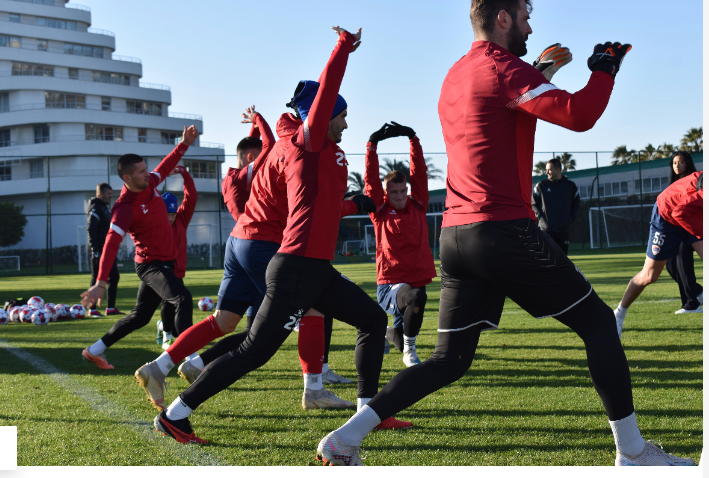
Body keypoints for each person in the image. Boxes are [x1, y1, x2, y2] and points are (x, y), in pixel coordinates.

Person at [317, 1, 693, 467]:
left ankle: (346, 438)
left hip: (456, 235)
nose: (530, 26)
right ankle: (633, 454)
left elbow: (498, 118)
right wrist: (605, 70)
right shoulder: (504, 68)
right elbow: (579, 115)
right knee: (599, 325)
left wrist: (539, 71)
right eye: (524, 17)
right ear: (502, 19)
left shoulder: (456, 73)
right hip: (500, 229)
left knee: (449, 361)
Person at [152, 27, 412, 445]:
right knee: (254, 351)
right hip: (294, 267)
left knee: (372, 318)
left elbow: (322, 202)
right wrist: (343, 48)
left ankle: (368, 414)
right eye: (340, 114)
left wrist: (350, 203)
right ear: (322, 115)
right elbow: (325, 93)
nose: (345, 121)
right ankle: (175, 415)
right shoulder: (307, 145)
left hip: (312, 268)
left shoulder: (317, 149)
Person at [132, 106, 275, 410]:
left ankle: (160, 367)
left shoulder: (238, 172)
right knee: (298, 312)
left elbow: (253, 151)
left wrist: (252, 128)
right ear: (252, 160)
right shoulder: (243, 175)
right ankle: (315, 382)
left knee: (223, 322)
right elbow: (268, 150)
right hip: (256, 245)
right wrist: (260, 121)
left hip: (239, 247)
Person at [79, 125, 199, 373]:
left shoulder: (150, 184)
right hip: (150, 264)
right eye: (142, 171)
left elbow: (165, 165)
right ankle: (191, 360)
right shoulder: (124, 208)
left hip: (166, 263)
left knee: (140, 317)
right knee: (183, 298)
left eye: (146, 169)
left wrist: (184, 143)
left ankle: (95, 350)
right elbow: (111, 243)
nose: (149, 174)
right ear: (127, 178)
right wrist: (101, 283)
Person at [365, 122, 437, 367]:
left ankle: (393, 335)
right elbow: (371, 180)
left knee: (401, 331)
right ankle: (411, 352)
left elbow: (420, 174)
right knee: (416, 298)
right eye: (393, 192)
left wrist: (413, 138)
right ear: (386, 193)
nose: (399, 195)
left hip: (416, 277)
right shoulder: (379, 211)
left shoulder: (417, 205)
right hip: (391, 284)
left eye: (402, 191)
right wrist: (371, 145)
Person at [614, 171, 703, 337]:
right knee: (650, 275)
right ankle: (618, 314)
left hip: (692, 212)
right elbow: (680, 212)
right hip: (669, 215)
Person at [155, 165, 198, 350]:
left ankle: (164, 328)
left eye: (173, 214)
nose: (171, 218)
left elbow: (191, 196)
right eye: (167, 214)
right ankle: (167, 336)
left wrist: (184, 173)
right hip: (162, 268)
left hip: (179, 269)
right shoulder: (155, 223)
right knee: (168, 301)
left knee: (176, 302)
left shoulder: (182, 219)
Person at [664, 152, 703, 314]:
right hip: (676, 229)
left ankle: (691, 304)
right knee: (671, 266)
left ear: (688, 163)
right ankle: (699, 293)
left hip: (690, 227)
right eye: (674, 163)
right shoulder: (673, 183)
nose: (677, 165)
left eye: (680, 162)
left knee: (683, 262)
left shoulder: (696, 181)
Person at [531, 157, 580, 254]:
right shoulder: (541, 185)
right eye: (546, 170)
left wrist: (569, 219)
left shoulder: (570, 186)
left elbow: (576, 205)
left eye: (549, 170)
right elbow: (533, 203)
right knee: (547, 258)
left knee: (563, 260)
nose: (547, 172)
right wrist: (541, 218)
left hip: (563, 230)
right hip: (546, 230)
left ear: (558, 170)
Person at [86, 183, 121, 317]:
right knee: (96, 278)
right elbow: (91, 229)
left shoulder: (105, 208)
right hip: (98, 248)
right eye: (108, 194)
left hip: (107, 249)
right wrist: (94, 248)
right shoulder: (95, 208)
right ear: (100, 194)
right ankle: (92, 310)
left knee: (114, 276)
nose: (110, 197)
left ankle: (110, 308)